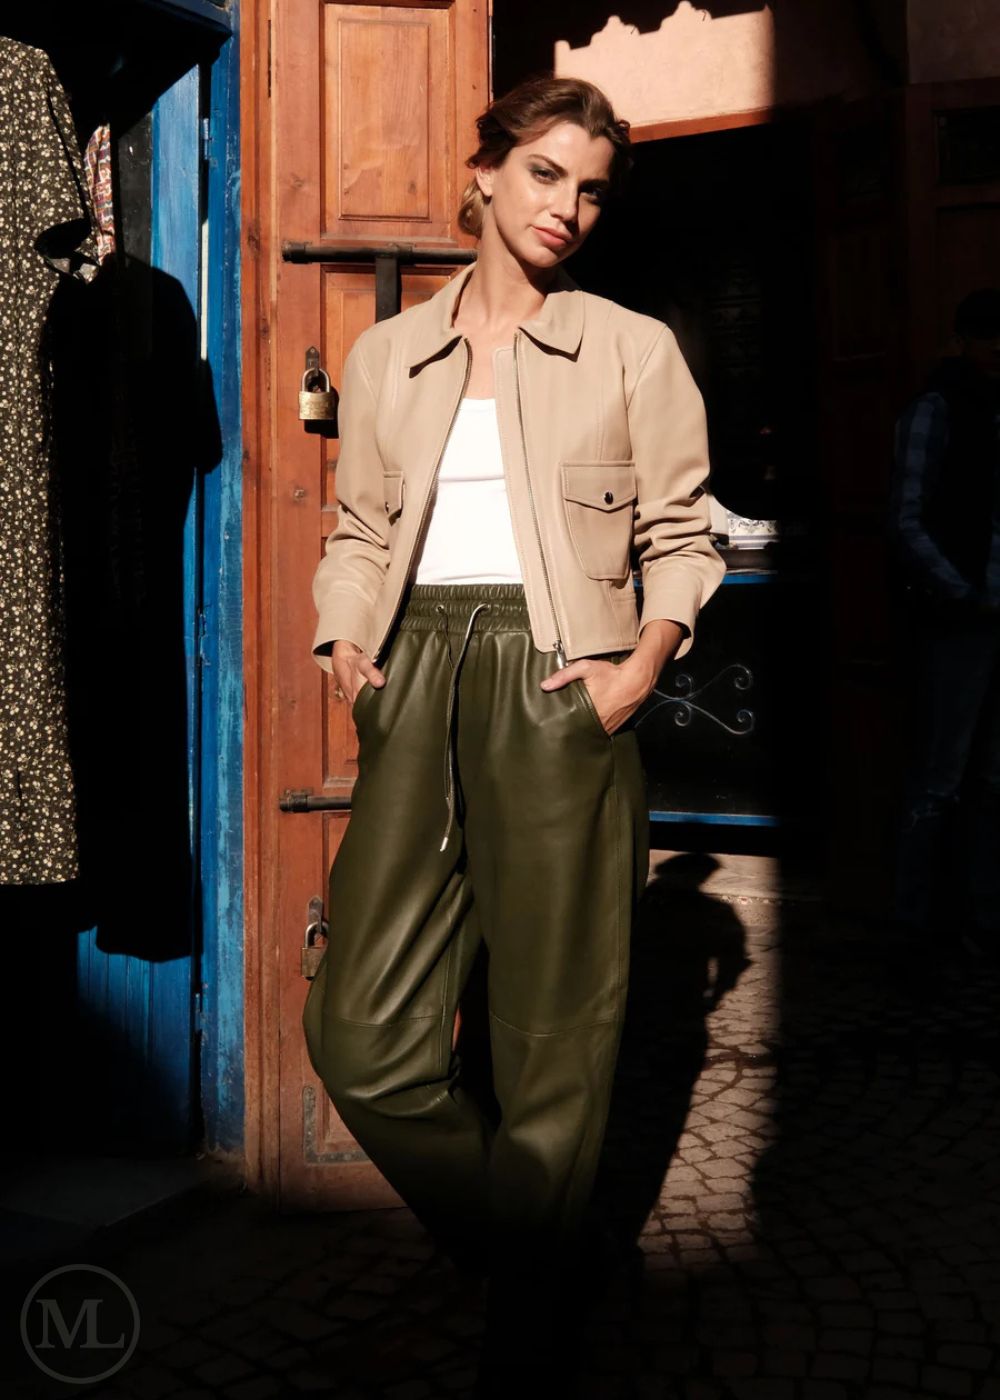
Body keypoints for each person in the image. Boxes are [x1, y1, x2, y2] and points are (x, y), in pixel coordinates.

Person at [301, 75, 726, 1394]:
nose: (569, 208)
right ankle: (538, 1242)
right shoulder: (388, 359)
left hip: (562, 684)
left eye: (592, 188)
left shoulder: (630, 348)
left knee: (552, 1030)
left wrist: (637, 668)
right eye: (546, 174)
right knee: (359, 1035)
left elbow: (682, 536)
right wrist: (345, 645)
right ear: (484, 175)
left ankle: (528, 1327)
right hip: (418, 672)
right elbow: (363, 531)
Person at [889, 287, 1000, 963]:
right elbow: (904, 517)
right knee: (940, 779)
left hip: (991, 615)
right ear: (963, 339)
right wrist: (961, 594)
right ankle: (913, 931)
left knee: (991, 783)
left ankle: (980, 926)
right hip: (962, 621)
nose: (999, 350)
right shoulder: (936, 409)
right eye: (988, 336)